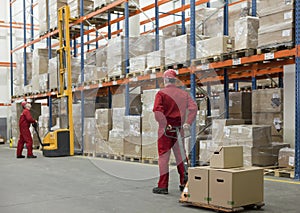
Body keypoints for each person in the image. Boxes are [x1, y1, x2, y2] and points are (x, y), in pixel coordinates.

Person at [152, 69, 198, 194]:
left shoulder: (161, 94)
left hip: (165, 130)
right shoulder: (184, 94)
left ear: (165, 80)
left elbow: (157, 111)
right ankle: (184, 183)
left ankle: (163, 186)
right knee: (181, 156)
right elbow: (194, 108)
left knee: (163, 158)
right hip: (179, 129)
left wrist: (164, 124)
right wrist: (188, 122)